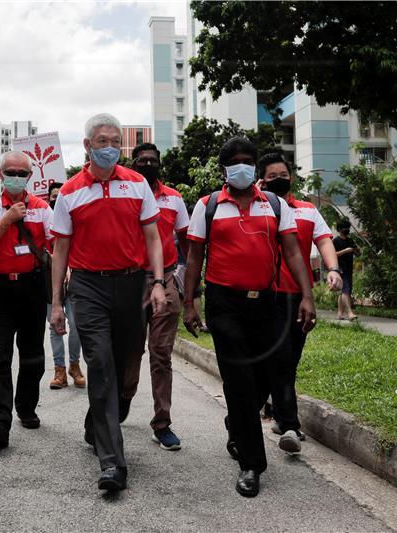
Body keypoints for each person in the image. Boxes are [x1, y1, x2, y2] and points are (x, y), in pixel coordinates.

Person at [183, 137, 316, 498]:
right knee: (239, 378)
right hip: (225, 303)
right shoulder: (208, 205)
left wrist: (306, 295)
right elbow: (195, 256)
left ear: (255, 167)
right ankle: (252, 464)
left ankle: (237, 425)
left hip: (267, 302)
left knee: (273, 369)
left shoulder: (273, 204)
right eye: (234, 161)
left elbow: (291, 250)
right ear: (224, 168)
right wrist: (190, 302)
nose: (241, 166)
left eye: (247, 161)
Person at [50, 113, 166, 492]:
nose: (110, 147)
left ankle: (95, 422)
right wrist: (56, 303)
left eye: (115, 141)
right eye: (102, 141)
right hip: (88, 287)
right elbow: (60, 249)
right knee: (99, 364)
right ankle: (112, 463)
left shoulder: (136, 185)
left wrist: (159, 281)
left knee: (125, 363)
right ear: (87, 146)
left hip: (132, 285)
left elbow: (152, 236)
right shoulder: (69, 192)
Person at [257, 153, 343, 453]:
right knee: (279, 359)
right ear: (261, 180)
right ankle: (290, 425)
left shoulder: (307, 210)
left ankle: (261, 414)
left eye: (283, 174)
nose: (279, 179)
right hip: (268, 296)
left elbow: (323, 241)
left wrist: (333, 270)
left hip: (300, 296)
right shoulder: (255, 209)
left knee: (289, 360)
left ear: (290, 178)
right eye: (271, 176)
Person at [119, 143, 189, 452]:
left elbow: (187, 239)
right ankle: (124, 394)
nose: (147, 164)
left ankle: (162, 423)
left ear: (159, 164)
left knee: (161, 354)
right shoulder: (124, 195)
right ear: (132, 163)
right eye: (141, 160)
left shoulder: (173, 198)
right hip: (131, 281)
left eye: (152, 160)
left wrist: (186, 284)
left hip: (167, 280)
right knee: (130, 350)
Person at [0, 151, 53, 448]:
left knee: (33, 355)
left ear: (30, 176)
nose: (16, 177)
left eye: (22, 173)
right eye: (10, 171)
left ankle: (26, 406)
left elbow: (55, 245)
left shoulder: (41, 208)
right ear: (0, 174)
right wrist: (7, 219)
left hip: (31, 288)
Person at [46, 180, 84, 389]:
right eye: (53, 197)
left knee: (77, 325)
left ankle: (74, 365)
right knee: (55, 327)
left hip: (76, 280)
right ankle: (59, 370)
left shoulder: (73, 216)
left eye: (60, 196)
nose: (57, 199)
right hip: (51, 283)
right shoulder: (46, 219)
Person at [333, 220, 359, 320]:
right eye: (345, 229)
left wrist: (357, 250)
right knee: (346, 290)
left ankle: (340, 313)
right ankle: (349, 312)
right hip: (340, 268)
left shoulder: (350, 240)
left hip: (349, 268)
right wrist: (345, 251)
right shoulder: (335, 241)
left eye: (348, 228)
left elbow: (357, 253)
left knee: (345, 291)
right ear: (339, 230)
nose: (347, 230)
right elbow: (333, 254)